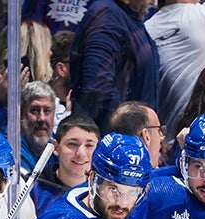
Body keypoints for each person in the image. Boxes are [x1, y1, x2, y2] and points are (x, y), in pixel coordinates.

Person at [69, 0, 161, 129]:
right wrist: (125, 134)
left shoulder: (128, 17)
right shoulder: (108, 16)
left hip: (134, 133)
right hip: (115, 137)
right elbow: (97, 88)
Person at [31, 114, 100, 215]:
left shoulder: (103, 194)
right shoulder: (33, 190)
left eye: (89, 145)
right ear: (56, 147)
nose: (81, 153)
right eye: (72, 144)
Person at [107, 101, 165, 168]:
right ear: (145, 136)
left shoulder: (101, 171)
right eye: (159, 130)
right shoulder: (166, 177)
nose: (162, 138)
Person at [20, 81, 57, 172]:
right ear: (21, 114)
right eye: (35, 110)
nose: (42, 118)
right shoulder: (13, 148)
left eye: (47, 111)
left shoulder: (60, 145)